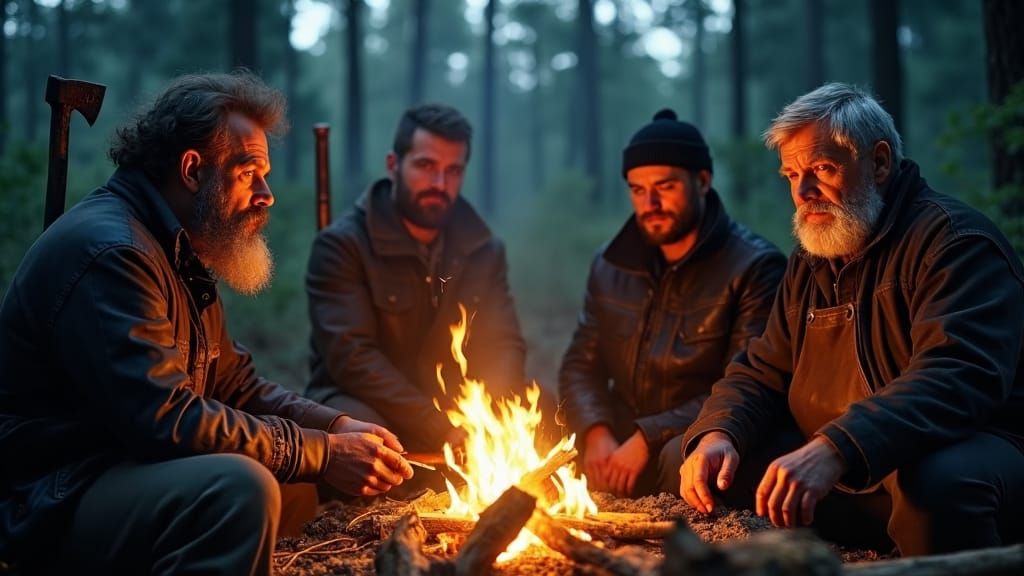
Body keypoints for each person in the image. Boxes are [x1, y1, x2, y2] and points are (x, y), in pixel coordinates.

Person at [0, 72, 413, 575]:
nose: (267, 194)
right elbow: (165, 420)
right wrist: (322, 452)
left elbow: (234, 384)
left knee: (304, 484)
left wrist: (336, 428)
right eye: (249, 173)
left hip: (119, 472)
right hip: (56, 497)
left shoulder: (176, 247)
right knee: (242, 489)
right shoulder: (115, 253)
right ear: (193, 169)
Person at [679, 83, 1024, 556]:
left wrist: (838, 446)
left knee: (939, 484)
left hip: (963, 453)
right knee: (703, 463)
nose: (803, 192)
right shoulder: (814, 256)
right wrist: (720, 431)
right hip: (846, 468)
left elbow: (957, 377)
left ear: (879, 163)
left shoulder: (955, 242)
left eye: (821, 169)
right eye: (791, 175)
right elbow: (763, 368)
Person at [558, 109, 785, 498]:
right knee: (546, 427)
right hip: (620, 431)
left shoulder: (754, 267)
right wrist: (596, 431)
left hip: (695, 433)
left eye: (665, 186)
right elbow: (580, 365)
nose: (650, 202)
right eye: (637, 189)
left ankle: (678, 544)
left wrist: (648, 436)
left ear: (702, 180)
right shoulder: (610, 265)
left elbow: (745, 384)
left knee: (677, 456)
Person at [306, 103, 532, 456]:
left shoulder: (483, 250)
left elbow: (503, 342)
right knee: (368, 439)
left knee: (539, 409)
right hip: (369, 403)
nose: (440, 184)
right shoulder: (343, 246)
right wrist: (437, 426)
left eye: (453, 171)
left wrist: (493, 413)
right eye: (426, 166)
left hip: (452, 404)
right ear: (394, 165)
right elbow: (353, 360)